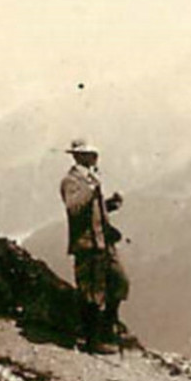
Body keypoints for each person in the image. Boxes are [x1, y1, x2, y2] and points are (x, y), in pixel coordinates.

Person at [60, 139, 129, 352]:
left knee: (119, 282)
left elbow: (94, 210)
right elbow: (74, 208)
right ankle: (93, 340)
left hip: (103, 243)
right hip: (87, 245)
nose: (95, 157)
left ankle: (107, 330)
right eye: (90, 153)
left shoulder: (89, 179)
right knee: (92, 292)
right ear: (79, 156)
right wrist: (92, 190)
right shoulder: (71, 181)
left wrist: (110, 205)